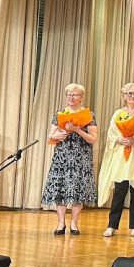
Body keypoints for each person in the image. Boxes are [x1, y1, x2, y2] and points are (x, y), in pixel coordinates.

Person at [97, 83, 134, 237]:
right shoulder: (118, 113)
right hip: (121, 156)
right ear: (123, 96)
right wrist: (120, 140)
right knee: (119, 191)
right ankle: (112, 225)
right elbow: (111, 134)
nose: (132, 96)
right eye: (129, 93)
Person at [41, 83, 98, 235]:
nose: (71, 97)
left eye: (75, 95)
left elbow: (93, 139)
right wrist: (57, 136)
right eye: (69, 95)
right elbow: (50, 137)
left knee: (78, 188)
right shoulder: (60, 113)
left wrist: (78, 130)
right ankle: (61, 223)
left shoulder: (89, 115)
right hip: (62, 156)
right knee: (60, 188)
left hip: (81, 156)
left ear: (81, 97)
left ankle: (74, 223)